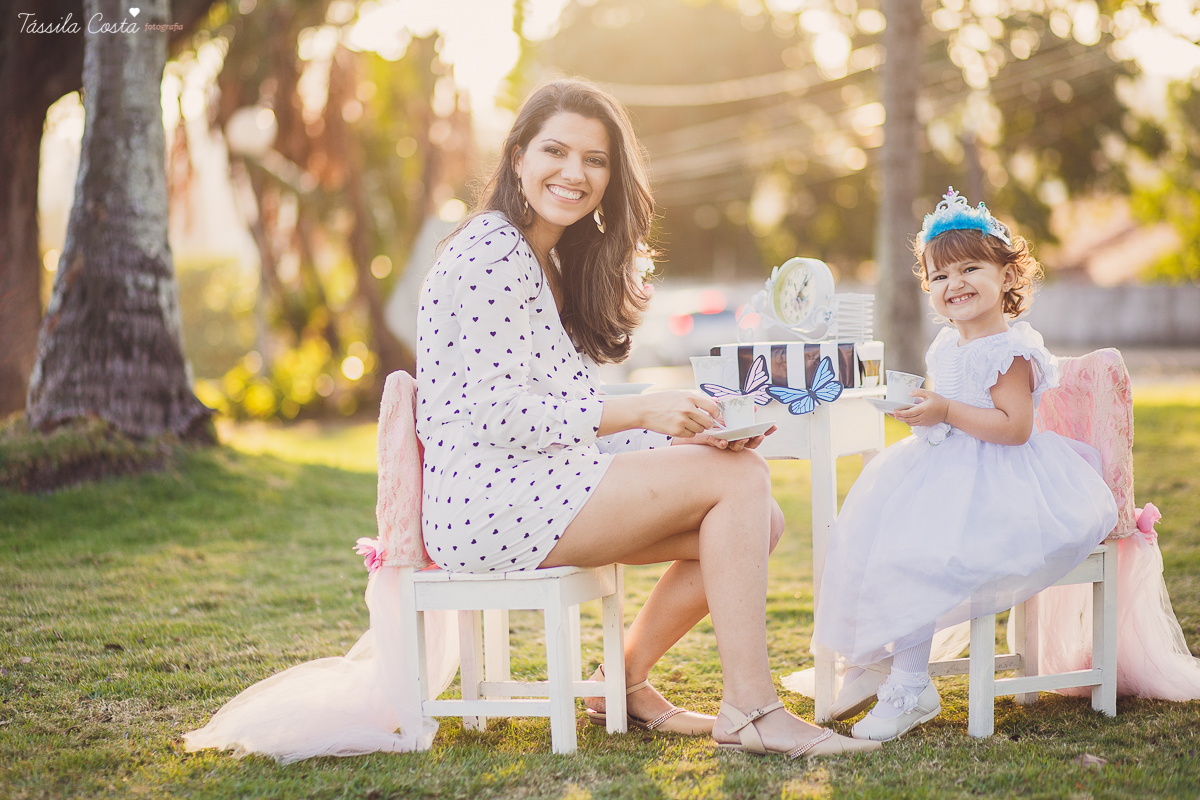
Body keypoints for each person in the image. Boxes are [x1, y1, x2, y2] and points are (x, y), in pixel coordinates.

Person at [418, 79, 879, 757]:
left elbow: (555, 407)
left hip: (532, 481)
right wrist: (643, 410)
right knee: (740, 482)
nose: (575, 173)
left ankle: (620, 680)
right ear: (517, 157)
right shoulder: (493, 250)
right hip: (487, 499)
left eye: (595, 160)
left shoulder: (544, 257)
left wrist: (689, 424)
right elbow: (499, 414)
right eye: (556, 151)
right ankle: (751, 710)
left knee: (758, 514)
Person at [810, 188, 1119, 741]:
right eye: (940, 276)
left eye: (970, 268)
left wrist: (948, 409)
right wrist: (928, 413)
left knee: (920, 552)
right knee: (873, 536)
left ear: (1006, 276)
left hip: (1004, 480)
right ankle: (877, 665)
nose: (955, 284)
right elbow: (946, 406)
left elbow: (1013, 427)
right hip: (943, 467)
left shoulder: (1009, 349)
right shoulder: (945, 346)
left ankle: (910, 686)